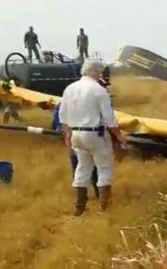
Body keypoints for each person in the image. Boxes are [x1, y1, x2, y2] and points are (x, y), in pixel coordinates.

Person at [58, 60, 126, 216]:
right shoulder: (99, 90)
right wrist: (118, 136)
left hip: (76, 134)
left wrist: (67, 134)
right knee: (103, 168)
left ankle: (79, 207)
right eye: (100, 72)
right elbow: (109, 117)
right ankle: (105, 207)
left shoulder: (70, 89)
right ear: (94, 71)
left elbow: (63, 115)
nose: (100, 75)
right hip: (95, 134)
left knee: (83, 168)